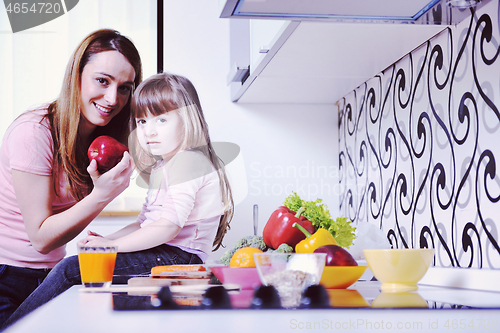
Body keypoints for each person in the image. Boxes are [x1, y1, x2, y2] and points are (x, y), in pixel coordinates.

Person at [2, 72, 234, 328]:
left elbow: (168, 227)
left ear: (188, 119)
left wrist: (111, 248)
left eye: (162, 120)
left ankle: (14, 328)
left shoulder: (188, 162)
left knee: (72, 270)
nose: (149, 131)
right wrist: (107, 241)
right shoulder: (164, 167)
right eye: (142, 121)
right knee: (82, 273)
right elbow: (145, 223)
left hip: (180, 257)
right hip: (167, 253)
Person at [0, 29, 142, 328]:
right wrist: (103, 195)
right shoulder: (34, 132)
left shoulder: (101, 139)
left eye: (125, 88)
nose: (112, 98)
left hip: (48, 275)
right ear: (76, 76)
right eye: (102, 81)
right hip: (7, 278)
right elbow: (40, 238)